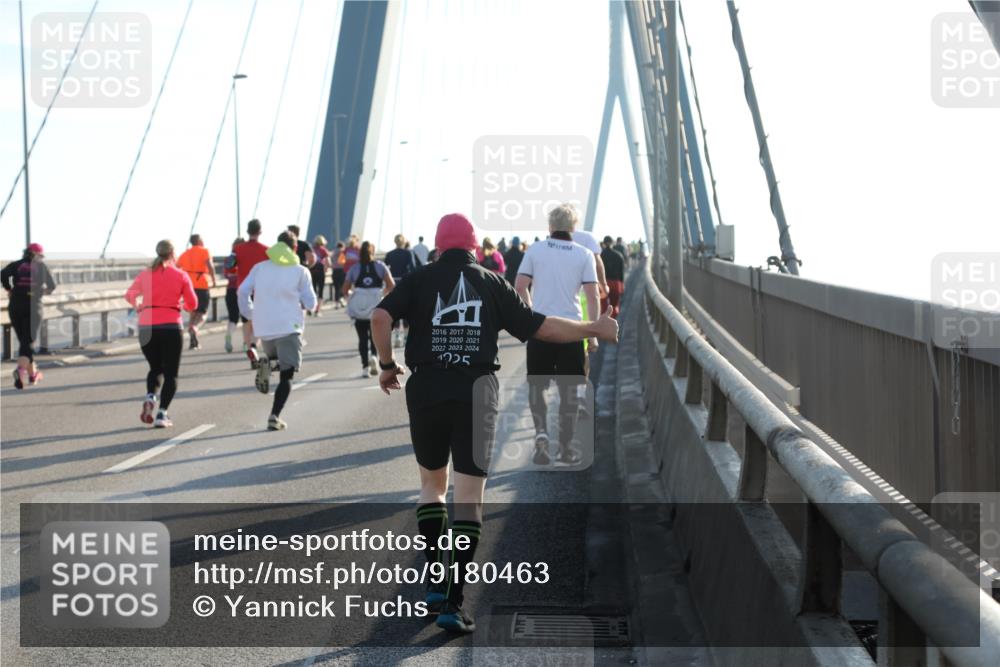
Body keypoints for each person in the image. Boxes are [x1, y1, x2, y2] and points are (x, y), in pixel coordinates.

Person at [372, 212, 619, 634]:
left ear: (438, 243)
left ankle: (435, 579)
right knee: (469, 496)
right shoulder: (490, 281)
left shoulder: (417, 278)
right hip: (476, 392)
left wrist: (388, 365)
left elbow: (379, 318)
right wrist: (592, 327)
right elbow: (542, 328)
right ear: (473, 246)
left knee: (432, 485)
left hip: (427, 388)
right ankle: (452, 602)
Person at [515, 204, 601, 466]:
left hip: (540, 328)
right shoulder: (584, 254)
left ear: (550, 227)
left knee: (537, 386)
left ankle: (541, 433)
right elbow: (592, 295)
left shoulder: (535, 250)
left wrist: (531, 312)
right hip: (571, 331)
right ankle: (565, 447)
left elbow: (519, 286)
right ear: (574, 227)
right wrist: (593, 333)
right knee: (570, 391)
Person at [238, 231, 317, 431]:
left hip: (264, 329)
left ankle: (267, 364)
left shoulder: (259, 268)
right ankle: (274, 416)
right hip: (289, 328)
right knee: (287, 375)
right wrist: (302, 301)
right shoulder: (300, 271)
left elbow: (242, 291)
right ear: (295, 248)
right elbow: (311, 302)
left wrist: (249, 313)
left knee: (278, 363)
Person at [124, 240, 197, 428]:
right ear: (173, 253)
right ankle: (162, 414)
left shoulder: (145, 274)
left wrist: (138, 305)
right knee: (171, 373)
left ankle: (150, 398)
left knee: (155, 369)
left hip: (146, 327)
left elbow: (129, 295)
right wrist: (185, 306)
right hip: (171, 326)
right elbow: (193, 304)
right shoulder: (181, 275)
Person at [1, 243, 56, 389]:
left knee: (25, 343)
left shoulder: (16, 265)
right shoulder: (41, 266)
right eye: (41, 255)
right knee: (28, 343)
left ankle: (33, 374)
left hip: (15, 305)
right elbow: (52, 286)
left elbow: (2, 274)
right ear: (36, 254)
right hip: (33, 306)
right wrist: (41, 292)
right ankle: (20, 371)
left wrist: (9, 288)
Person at [344, 241, 395, 377]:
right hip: (376, 303)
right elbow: (391, 285)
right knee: (374, 334)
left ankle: (365, 367)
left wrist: (351, 297)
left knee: (362, 337)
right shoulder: (380, 266)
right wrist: (381, 294)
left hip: (359, 305)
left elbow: (345, 288)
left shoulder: (354, 268)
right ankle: (373, 355)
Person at [232, 219, 270, 367]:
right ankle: (254, 344)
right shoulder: (267, 250)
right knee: (260, 321)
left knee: (247, 322)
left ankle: (249, 347)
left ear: (248, 231)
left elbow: (229, 268)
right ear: (260, 232)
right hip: (261, 291)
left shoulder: (238, 249)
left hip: (243, 290)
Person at [176, 234, 216, 350]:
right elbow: (210, 265)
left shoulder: (184, 254)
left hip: (189, 286)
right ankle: (195, 328)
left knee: (192, 313)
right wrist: (213, 280)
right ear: (198, 240)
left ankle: (193, 343)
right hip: (202, 284)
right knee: (203, 313)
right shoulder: (205, 251)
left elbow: (177, 268)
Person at [385, 234, 420, 347]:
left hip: (394, 282)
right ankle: (405, 337)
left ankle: (396, 338)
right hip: (405, 282)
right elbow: (414, 268)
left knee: (394, 310)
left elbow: (385, 268)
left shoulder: (390, 254)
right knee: (406, 310)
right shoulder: (408, 253)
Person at [222, 237, 244, 353]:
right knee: (248, 319)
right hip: (244, 291)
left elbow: (226, 275)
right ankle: (248, 345)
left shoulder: (228, 260)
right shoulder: (246, 259)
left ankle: (228, 337)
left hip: (230, 291)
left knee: (233, 318)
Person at [600, 236, 626, 318]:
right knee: (614, 306)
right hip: (616, 283)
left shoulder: (600, 256)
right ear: (612, 243)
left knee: (603, 306)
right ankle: (613, 323)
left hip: (603, 283)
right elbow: (621, 272)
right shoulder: (619, 255)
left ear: (603, 243)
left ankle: (604, 325)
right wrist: (622, 286)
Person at [311, 235, 331, 316]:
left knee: (313, 289)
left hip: (312, 270)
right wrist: (326, 268)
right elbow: (328, 262)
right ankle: (317, 310)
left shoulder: (312, 249)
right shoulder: (324, 250)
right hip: (320, 270)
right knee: (321, 290)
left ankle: (311, 308)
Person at [331, 241, 347, 308]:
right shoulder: (343, 252)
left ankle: (337, 303)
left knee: (336, 287)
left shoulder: (333, 252)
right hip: (342, 270)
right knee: (342, 286)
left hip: (335, 270)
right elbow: (343, 261)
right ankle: (342, 299)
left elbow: (331, 260)